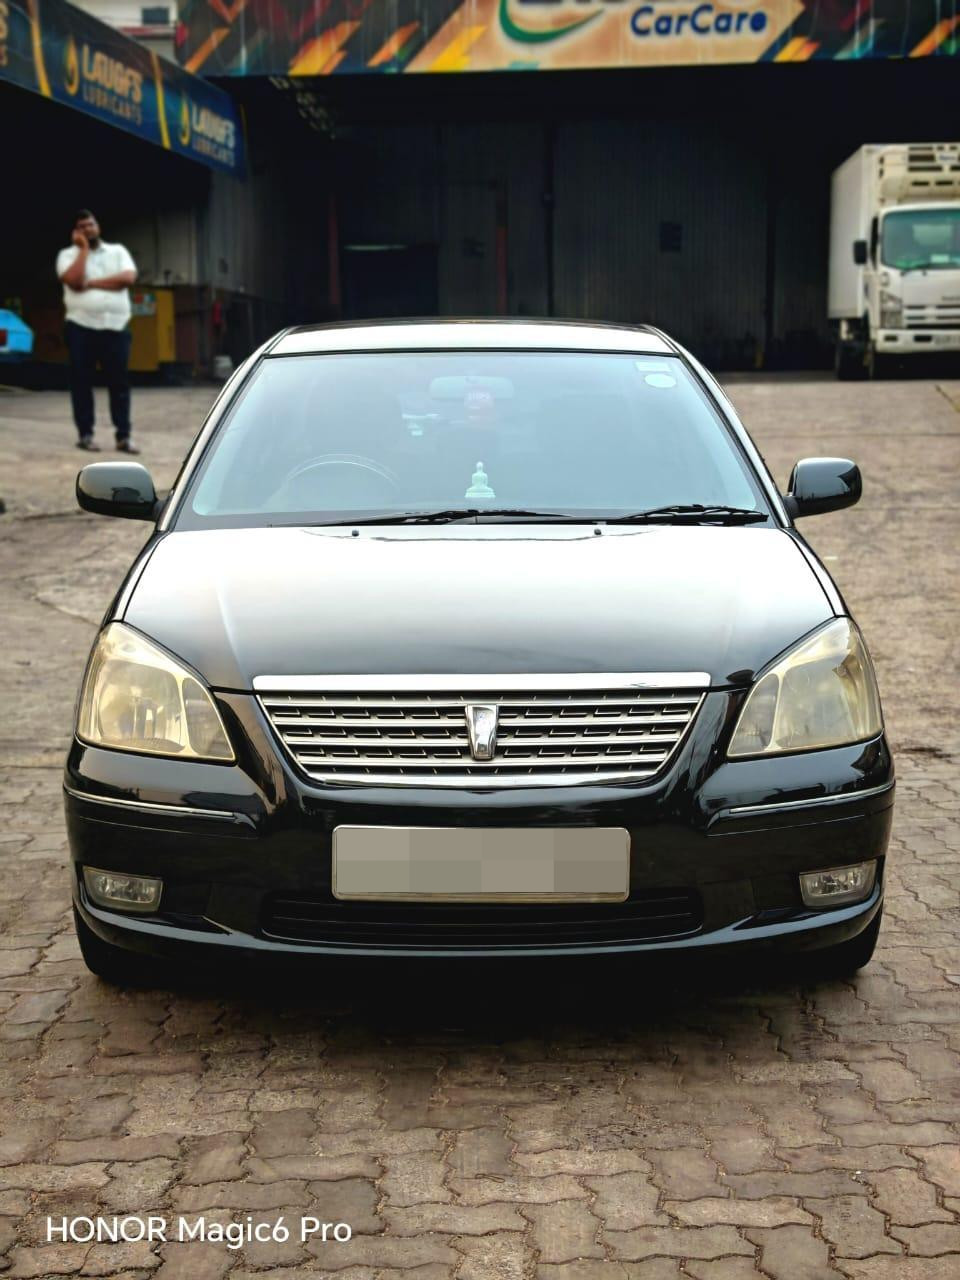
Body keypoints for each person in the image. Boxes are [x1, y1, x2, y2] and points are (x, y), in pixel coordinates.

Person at [57, 210, 139, 453]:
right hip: (81, 327)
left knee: (120, 384)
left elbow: (127, 278)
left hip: (115, 327)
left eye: (90, 224)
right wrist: (82, 251)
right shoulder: (67, 255)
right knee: (82, 382)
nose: (88, 229)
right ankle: (85, 434)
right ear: (76, 232)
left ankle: (123, 437)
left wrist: (91, 283)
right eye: (82, 227)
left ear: (98, 227)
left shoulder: (118, 251)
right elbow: (72, 280)